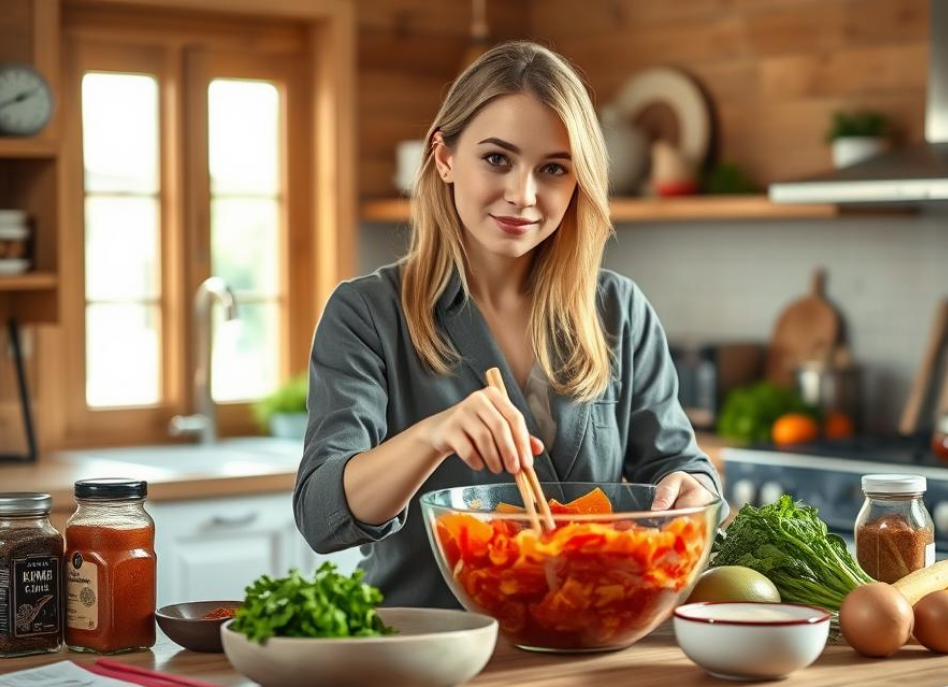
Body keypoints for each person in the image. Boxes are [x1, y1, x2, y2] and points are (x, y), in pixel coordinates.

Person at [294, 41, 728, 608]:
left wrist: (695, 490)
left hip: (590, 643)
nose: (522, 196)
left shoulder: (620, 310)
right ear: (445, 157)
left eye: (552, 169)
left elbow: (677, 464)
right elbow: (322, 515)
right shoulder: (366, 314)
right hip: (429, 653)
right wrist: (432, 435)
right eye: (497, 159)